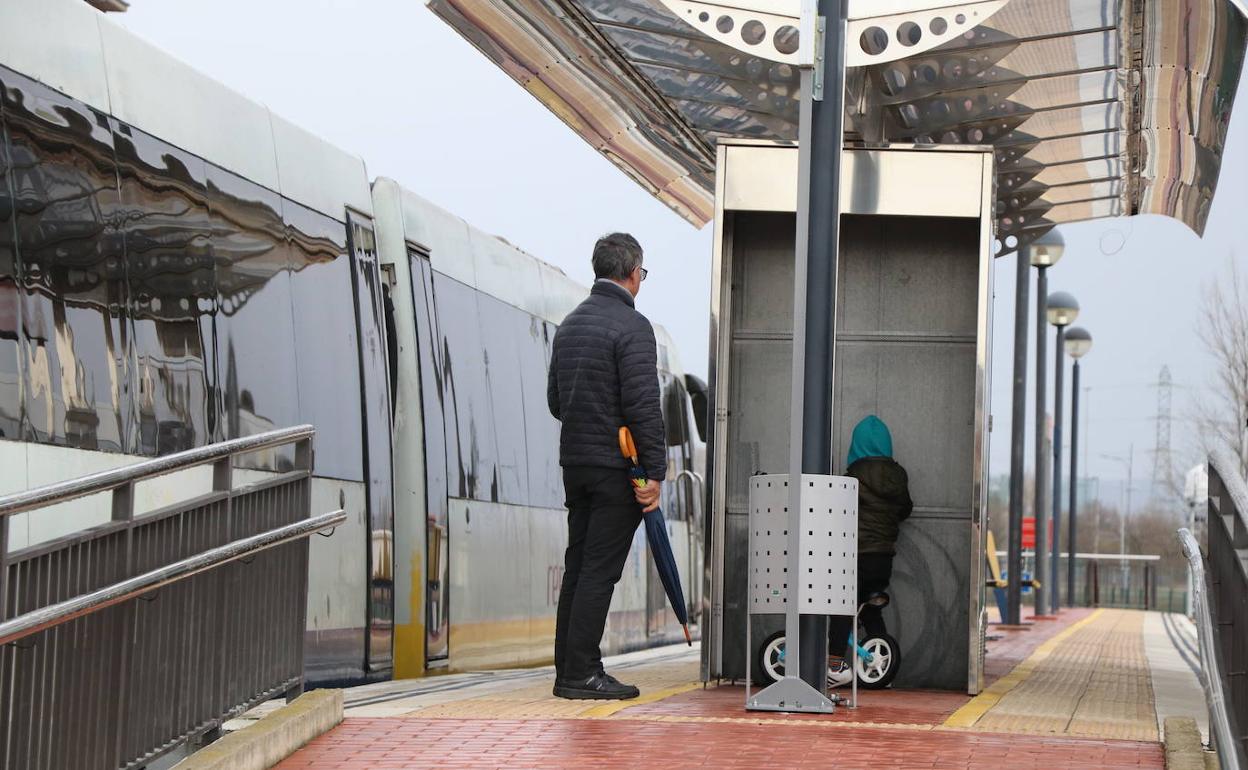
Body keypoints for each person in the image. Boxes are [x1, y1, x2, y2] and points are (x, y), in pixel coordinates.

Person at [546, 232, 665, 700]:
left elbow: (557, 401)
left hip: (576, 464)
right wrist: (654, 473)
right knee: (600, 570)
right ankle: (582, 674)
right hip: (619, 468)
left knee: (579, 566)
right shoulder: (633, 328)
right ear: (633, 273)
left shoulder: (569, 325)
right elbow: (643, 406)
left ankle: (569, 670)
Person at [827, 415, 913, 686]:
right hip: (883, 558)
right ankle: (880, 668)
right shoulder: (898, 477)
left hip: (855, 555)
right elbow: (905, 509)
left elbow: (835, 513)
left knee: (843, 605)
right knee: (870, 607)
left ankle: (834, 665)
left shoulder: (851, 479)